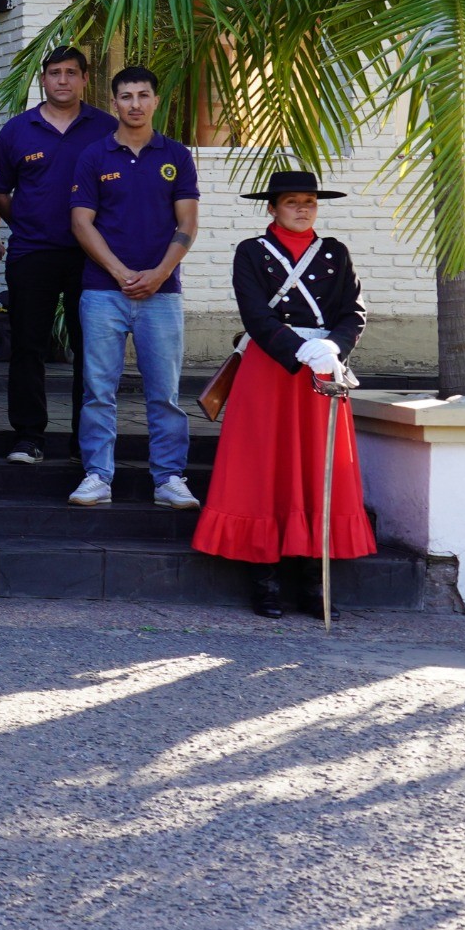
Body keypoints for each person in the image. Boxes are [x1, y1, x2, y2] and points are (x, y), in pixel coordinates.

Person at [194, 171, 372, 618]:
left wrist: (334, 346)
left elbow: (354, 309)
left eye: (310, 201)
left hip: (323, 371)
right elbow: (254, 314)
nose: (303, 208)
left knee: (318, 469)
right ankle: (265, 579)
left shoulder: (336, 252)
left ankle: (313, 580)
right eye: (292, 201)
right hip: (271, 367)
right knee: (264, 469)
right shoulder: (250, 252)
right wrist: (299, 349)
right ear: (272, 208)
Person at [68, 66, 201, 510]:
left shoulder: (176, 156)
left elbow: (187, 223)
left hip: (162, 294)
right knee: (98, 390)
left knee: (164, 392)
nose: (135, 104)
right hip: (103, 292)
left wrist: (160, 272)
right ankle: (97, 476)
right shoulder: (94, 156)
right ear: (114, 102)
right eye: (126, 96)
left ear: (156, 101)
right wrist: (121, 272)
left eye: (144, 95)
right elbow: (81, 222)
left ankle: (169, 478)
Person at [0, 45, 117, 466]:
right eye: (55, 73)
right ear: (43, 79)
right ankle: (28, 436)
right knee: (28, 345)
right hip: (33, 251)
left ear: (84, 78)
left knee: (91, 349)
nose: (62, 80)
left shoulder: (106, 128)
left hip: (92, 257)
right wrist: (27, 220)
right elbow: (0, 192)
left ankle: (87, 440)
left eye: (71, 72)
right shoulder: (17, 130)